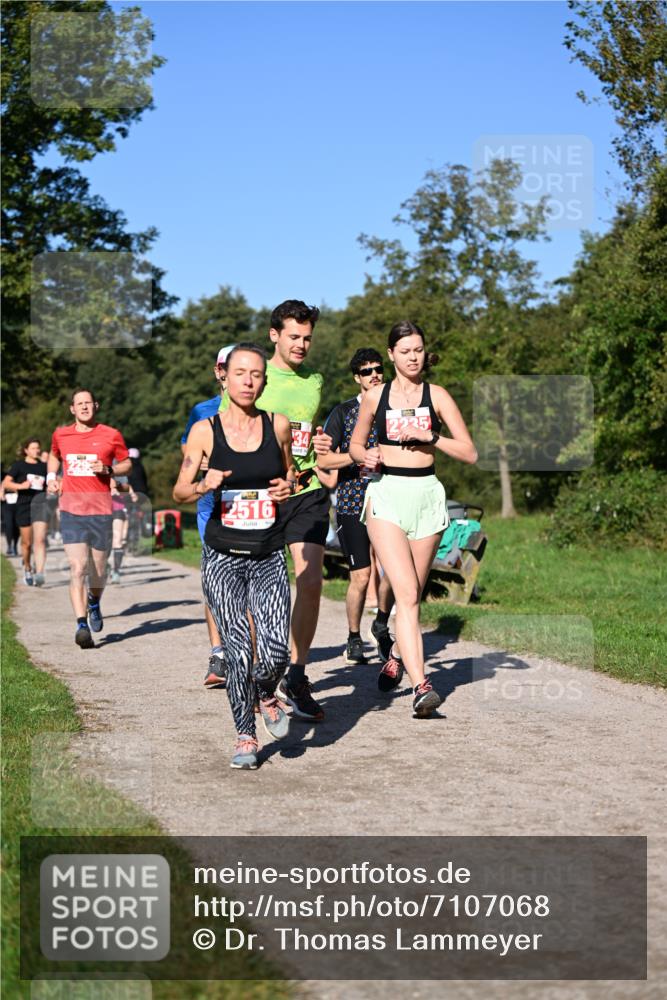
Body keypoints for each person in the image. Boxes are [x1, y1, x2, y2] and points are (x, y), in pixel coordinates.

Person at [174, 343, 295, 769]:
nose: (248, 381)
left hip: (268, 556)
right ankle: (245, 736)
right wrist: (204, 484)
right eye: (240, 373)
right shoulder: (206, 431)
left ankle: (265, 691)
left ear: (264, 380)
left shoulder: (278, 426)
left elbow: (289, 475)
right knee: (240, 651)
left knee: (277, 651)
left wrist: (286, 488)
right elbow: (179, 491)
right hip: (223, 556)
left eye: (256, 374)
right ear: (224, 376)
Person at [349, 321, 478, 717]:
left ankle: (397, 656)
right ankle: (422, 688)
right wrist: (365, 456)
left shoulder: (436, 396)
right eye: (405, 351)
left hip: (426, 496)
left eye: (419, 349)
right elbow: (356, 443)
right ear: (391, 355)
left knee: (411, 596)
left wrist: (432, 439)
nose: (413, 356)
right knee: (406, 595)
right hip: (387, 495)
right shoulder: (375, 396)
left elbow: (470, 452)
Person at [236, 300, 330, 722]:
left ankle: (296, 673)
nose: (302, 345)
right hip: (264, 495)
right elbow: (233, 430)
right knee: (264, 592)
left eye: (308, 338)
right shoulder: (255, 375)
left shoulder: (314, 381)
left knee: (310, 580)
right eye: (294, 336)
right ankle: (261, 675)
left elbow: (308, 436)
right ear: (275, 335)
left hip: (307, 490)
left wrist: (323, 446)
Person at [313, 348, 395, 664]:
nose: (374, 375)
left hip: (389, 499)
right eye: (366, 371)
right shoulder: (344, 413)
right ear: (356, 378)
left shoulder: (394, 409)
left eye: (378, 369)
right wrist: (357, 454)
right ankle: (353, 636)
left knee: (394, 573)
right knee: (360, 576)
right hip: (351, 501)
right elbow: (324, 459)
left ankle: (381, 623)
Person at [47, 389, 131, 648]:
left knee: (98, 570)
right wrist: (52, 478)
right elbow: (54, 455)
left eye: (88, 403)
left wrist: (110, 469)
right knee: (78, 568)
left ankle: (94, 601)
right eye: (79, 404)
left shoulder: (111, 434)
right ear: (72, 409)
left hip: (101, 511)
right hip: (71, 510)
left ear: (96, 406)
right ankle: (81, 624)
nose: (84, 407)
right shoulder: (61, 434)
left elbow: (127, 463)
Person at [181, 344, 236, 687]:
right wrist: (201, 463)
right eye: (230, 369)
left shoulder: (267, 412)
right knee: (216, 583)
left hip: (250, 505)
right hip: (211, 506)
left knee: (248, 586)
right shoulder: (202, 411)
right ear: (219, 373)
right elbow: (188, 454)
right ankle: (219, 653)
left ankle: (249, 656)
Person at [2, 438, 49, 586]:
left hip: (40, 504)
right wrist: (21, 486)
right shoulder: (19, 466)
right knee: (27, 543)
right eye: (34, 448)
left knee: (40, 540)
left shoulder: (44, 467)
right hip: (23, 506)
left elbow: (50, 483)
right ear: (26, 450)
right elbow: (6, 483)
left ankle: (40, 572)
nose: (37, 450)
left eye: (38, 448)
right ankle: (28, 567)